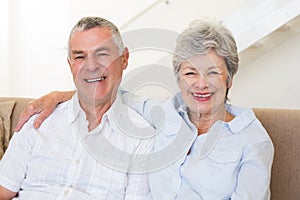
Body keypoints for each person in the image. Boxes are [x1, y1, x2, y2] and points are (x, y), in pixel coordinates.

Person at [14, 19, 274, 199]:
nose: (201, 84)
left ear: (229, 77)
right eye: (190, 72)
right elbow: (106, 91)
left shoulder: (253, 140)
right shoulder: (164, 113)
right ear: (179, 78)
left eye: (213, 73)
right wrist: (59, 96)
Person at [0, 16, 154, 199]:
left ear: (124, 59)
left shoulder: (142, 138)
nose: (91, 66)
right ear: (70, 64)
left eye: (102, 54)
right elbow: (4, 190)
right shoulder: (38, 120)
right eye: (80, 57)